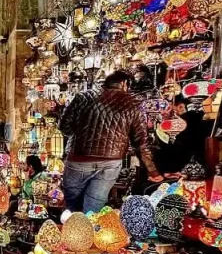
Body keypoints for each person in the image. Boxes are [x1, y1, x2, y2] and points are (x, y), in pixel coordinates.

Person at [59, 70, 163, 213]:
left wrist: (82, 128)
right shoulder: (134, 103)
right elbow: (141, 142)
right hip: (111, 163)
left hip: (79, 159)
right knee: (92, 211)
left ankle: (72, 231)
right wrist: (153, 172)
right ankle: (90, 231)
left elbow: (64, 127)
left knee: (72, 209)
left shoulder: (83, 97)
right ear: (125, 83)